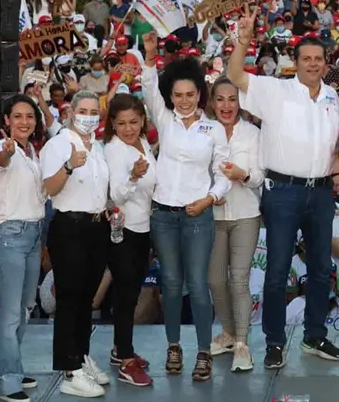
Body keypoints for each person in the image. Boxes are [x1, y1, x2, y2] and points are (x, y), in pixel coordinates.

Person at [226, 6, 339, 369]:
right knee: (278, 269)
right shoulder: (275, 90)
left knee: (321, 268)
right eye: (306, 58)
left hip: (321, 192)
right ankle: (275, 342)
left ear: (326, 63)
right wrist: (244, 40)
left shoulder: (332, 97)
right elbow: (235, 75)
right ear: (295, 62)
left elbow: (338, 141)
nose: (313, 64)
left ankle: (314, 336)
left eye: (318, 59)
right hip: (283, 192)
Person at [140, 37, 232, 381]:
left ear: (199, 94)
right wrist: (151, 55)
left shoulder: (214, 129)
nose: (184, 100)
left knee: (197, 283)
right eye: (177, 95)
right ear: (170, 96)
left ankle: (204, 351)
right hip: (163, 215)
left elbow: (224, 175)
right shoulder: (164, 119)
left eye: (190, 94)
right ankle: (173, 346)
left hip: (198, 215)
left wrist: (208, 199)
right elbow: (148, 84)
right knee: (171, 283)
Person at [40, 90, 110, 398]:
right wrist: (68, 166)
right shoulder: (58, 145)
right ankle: (69, 370)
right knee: (69, 299)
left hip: (97, 226)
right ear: (70, 113)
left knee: (85, 299)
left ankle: (81, 356)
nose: (88, 117)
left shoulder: (98, 147)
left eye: (94, 112)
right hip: (70, 227)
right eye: (83, 111)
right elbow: (50, 188)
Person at [0, 95, 46, 402]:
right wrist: (7, 152)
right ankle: (6, 377)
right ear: (7, 120)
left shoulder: (33, 152)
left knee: (25, 307)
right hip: (9, 235)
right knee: (10, 312)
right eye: (18, 116)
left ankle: (13, 367)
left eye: (29, 116)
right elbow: (1, 160)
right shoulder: (0, 147)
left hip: (33, 235)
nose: (24, 121)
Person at [206, 78, 265, 373]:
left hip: (245, 214)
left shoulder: (253, 134)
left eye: (232, 99)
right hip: (212, 216)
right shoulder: (204, 131)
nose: (226, 105)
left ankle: (242, 343)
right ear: (212, 102)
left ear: (240, 102)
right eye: (221, 99)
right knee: (215, 280)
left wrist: (242, 175)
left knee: (238, 280)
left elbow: (259, 176)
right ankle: (228, 332)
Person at [102, 94, 157, 387]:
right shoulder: (113, 149)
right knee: (125, 294)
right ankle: (125, 360)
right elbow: (115, 195)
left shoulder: (143, 143)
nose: (128, 129)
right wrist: (134, 177)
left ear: (142, 121)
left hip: (143, 228)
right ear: (113, 123)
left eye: (134, 122)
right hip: (122, 230)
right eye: (122, 123)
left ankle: (119, 348)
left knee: (133, 291)